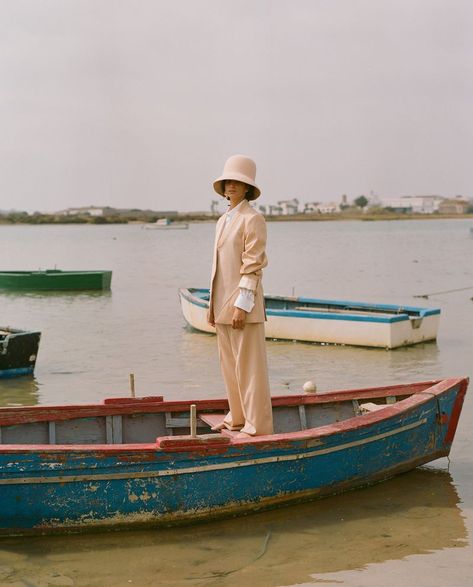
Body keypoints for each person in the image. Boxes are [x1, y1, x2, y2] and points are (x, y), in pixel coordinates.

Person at [208, 154, 273, 437]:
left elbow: (253, 265)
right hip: (221, 305)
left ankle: (256, 427)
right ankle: (237, 418)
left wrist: (242, 305)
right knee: (230, 369)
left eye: (238, 182)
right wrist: (212, 307)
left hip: (242, 307)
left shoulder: (253, 219)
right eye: (228, 181)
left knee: (250, 370)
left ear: (247, 188)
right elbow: (219, 269)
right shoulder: (223, 220)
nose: (231, 186)